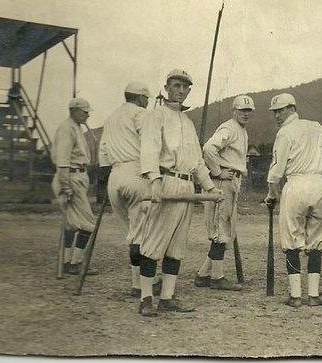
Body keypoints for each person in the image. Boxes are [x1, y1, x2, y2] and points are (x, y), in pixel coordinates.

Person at [136, 69, 221, 316]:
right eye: (176, 85)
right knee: (153, 243)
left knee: (177, 245)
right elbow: (149, 150)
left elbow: (197, 162)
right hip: (166, 182)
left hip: (187, 187)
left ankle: (167, 298)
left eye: (185, 87)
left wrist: (210, 187)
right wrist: (154, 181)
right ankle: (145, 299)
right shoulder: (156, 116)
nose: (180, 91)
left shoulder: (188, 122)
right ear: (166, 88)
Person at [264, 93, 322, 307]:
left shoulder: (284, 133)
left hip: (296, 184)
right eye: (274, 112)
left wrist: (272, 193)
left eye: (280, 110)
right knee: (316, 240)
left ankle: (295, 296)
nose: (276, 115)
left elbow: (276, 169)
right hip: (320, 185)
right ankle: (313, 295)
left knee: (292, 239)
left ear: (292, 108)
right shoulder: (316, 126)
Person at [194, 95, 255, 292]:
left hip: (231, 180)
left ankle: (203, 275)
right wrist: (218, 171)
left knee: (226, 228)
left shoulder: (240, 130)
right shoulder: (229, 127)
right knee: (221, 229)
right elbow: (208, 148)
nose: (245, 114)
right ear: (233, 111)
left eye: (249, 111)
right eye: (242, 110)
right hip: (222, 181)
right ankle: (217, 277)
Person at [98, 82, 153, 297]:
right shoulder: (141, 114)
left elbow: (102, 151)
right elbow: (149, 144)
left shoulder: (111, 117)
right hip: (135, 172)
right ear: (140, 98)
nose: (147, 102)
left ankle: (138, 280)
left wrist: (104, 182)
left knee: (130, 233)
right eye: (146, 99)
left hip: (114, 174)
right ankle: (138, 285)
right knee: (141, 233)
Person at [51, 97, 99, 275]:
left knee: (72, 224)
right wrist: (67, 187)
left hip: (78, 176)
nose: (87, 115)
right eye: (84, 112)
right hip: (70, 177)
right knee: (88, 224)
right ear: (74, 110)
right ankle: (75, 263)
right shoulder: (66, 129)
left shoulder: (76, 127)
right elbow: (62, 162)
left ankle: (66, 262)